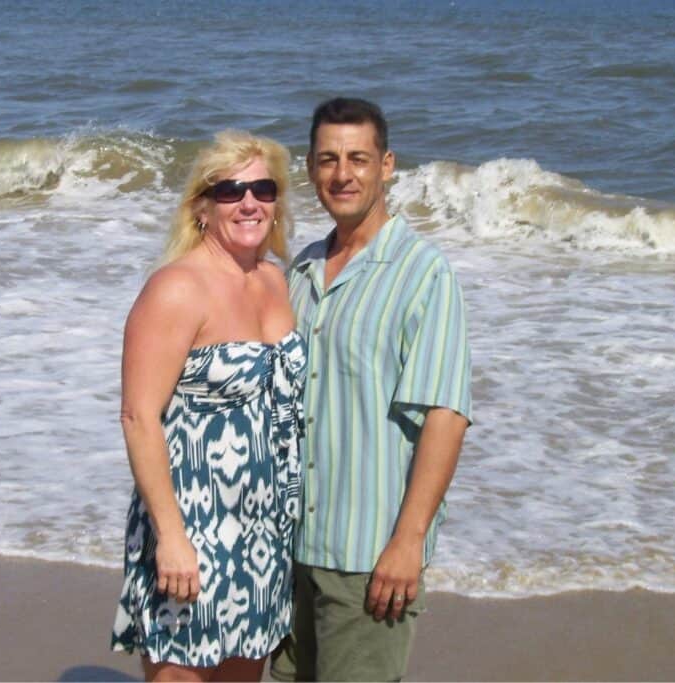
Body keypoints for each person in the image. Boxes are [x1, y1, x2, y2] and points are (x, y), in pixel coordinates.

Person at [270, 98, 473, 682]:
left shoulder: (422, 273)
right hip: (288, 552)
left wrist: (407, 544)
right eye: (329, 159)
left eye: (358, 158)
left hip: (366, 555)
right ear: (309, 167)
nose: (343, 173)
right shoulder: (301, 270)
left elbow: (446, 414)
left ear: (386, 165)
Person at [111, 130, 307, 682]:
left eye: (263, 188)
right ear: (201, 206)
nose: (249, 202)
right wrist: (172, 537)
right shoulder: (177, 288)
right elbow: (138, 417)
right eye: (230, 191)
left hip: (265, 526)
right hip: (194, 521)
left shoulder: (274, 280)